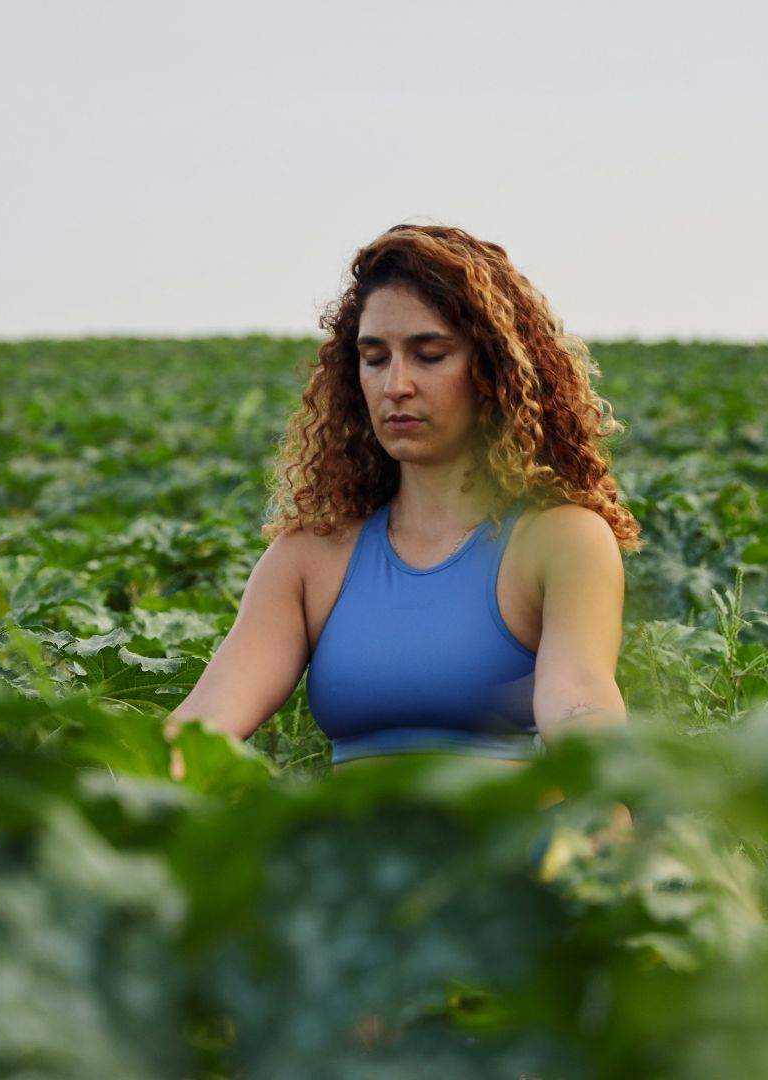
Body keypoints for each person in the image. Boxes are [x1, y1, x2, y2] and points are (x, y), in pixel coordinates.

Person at [166, 223, 639, 801]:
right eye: (374, 358)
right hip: (352, 878)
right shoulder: (308, 557)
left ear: (491, 372)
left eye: (430, 355)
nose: (397, 385)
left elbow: (581, 705)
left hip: (510, 870)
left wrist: (609, 826)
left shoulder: (561, 539)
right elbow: (204, 722)